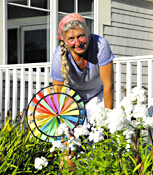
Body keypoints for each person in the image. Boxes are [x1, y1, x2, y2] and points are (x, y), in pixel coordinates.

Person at [51, 13, 114, 172]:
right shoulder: (59, 56)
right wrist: (65, 126)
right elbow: (59, 95)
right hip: (71, 100)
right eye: (71, 39)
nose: (77, 42)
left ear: (88, 34)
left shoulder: (100, 45)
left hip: (96, 95)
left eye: (81, 36)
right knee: (70, 146)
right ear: (64, 40)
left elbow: (108, 86)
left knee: (99, 139)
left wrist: (107, 122)